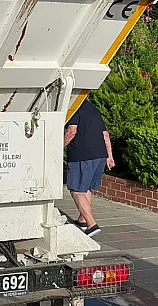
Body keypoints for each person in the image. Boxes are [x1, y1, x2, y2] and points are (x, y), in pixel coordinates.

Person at [63, 99, 114, 237]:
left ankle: (92, 225)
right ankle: (83, 220)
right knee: (86, 189)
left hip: (82, 155)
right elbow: (105, 134)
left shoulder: (74, 109)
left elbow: (72, 131)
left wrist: (59, 146)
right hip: (100, 155)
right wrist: (109, 156)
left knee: (76, 190)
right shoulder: (93, 109)